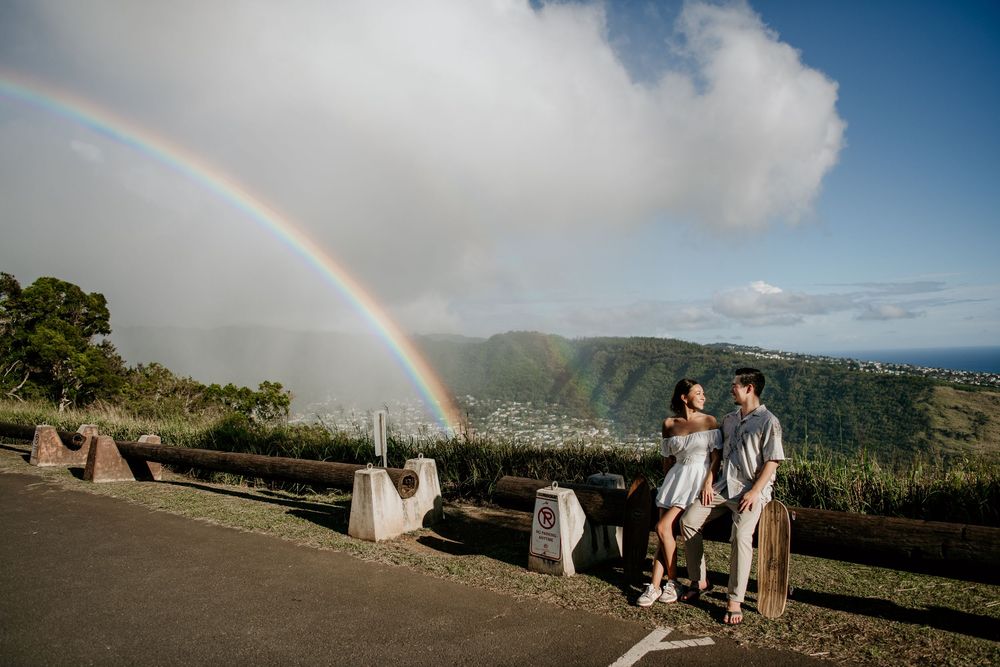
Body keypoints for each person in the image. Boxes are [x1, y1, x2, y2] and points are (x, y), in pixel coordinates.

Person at [679, 367, 784, 625]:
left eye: (735, 385)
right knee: (688, 521)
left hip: (751, 490)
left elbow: (773, 461)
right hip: (724, 487)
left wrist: (755, 491)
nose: (731, 388)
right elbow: (716, 456)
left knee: (740, 536)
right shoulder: (729, 419)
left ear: (749, 388)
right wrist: (708, 483)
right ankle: (699, 580)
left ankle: (734, 599)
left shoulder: (769, 421)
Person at [636, 379, 721, 607]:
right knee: (666, 536)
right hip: (675, 479)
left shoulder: (709, 421)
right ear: (684, 397)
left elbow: (716, 458)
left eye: (703, 393)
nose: (704, 397)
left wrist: (708, 483)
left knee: (662, 528)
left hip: (696, 480)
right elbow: (668, 460)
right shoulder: (669, 424)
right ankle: (656, 586)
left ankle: (672, 581)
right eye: (698, 393)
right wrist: (667, 483)